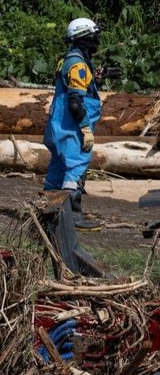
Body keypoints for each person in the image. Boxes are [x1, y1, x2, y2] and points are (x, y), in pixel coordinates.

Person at [43, 17, 104, 230]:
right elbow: (76, 103)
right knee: (75, 171)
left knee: (58, 169)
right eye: (94, 36)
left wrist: (97, 78)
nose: (97, 40)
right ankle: (73, 218)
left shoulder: (71, 59)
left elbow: (75, 84)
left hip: (56, 127)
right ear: (85, 37)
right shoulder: (78, 64)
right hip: (71, 129)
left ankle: (48, 212)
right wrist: (85, 129)